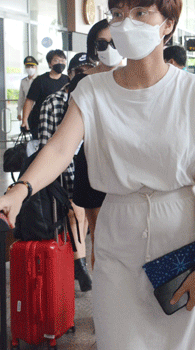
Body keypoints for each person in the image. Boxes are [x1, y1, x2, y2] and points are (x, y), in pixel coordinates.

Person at [0, 0, 195, 350]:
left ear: (168, 24)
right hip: (118, 235)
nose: (125, 24)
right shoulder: (93, 92)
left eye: (140, 13)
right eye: (118, 13)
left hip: (181, 239)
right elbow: (60, 148)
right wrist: (20, 191)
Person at [38, 52, 95, 292]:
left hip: (92, 170)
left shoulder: (98, 99)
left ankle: (79, 257)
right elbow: (46, 145)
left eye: (87, 72)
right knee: (77, 213)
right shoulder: (53, 102)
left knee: (84, 216)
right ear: (69, 75)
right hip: (63, 173)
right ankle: (80, 264)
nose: (82, 76)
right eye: (77, 72)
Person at [74, 19, 124, 269]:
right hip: (93, 161)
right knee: (101, 237)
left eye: (114, 42)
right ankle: (103, 298)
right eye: (102, 43)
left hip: (126, 164)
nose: (108, 48)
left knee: (125, 236)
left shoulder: (131, 78)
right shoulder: (84, 80)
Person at [21, 49, 70, 139]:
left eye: (63, 60)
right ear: (50, 63)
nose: (60, 63)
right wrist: (24, 120)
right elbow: (29, 101)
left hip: (61, 121)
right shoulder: (40, 80)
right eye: (56, 60)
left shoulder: (67, 80)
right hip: (41, 121)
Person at [17, 56, 38, 122]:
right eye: (28, 67)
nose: (30, 69)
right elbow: (21, 98)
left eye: (32, 67)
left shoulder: (39, 80)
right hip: (26, 110)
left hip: (37, 109)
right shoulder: (23, 81)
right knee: (26, 129)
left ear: (36, 68)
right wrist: (19, 112)